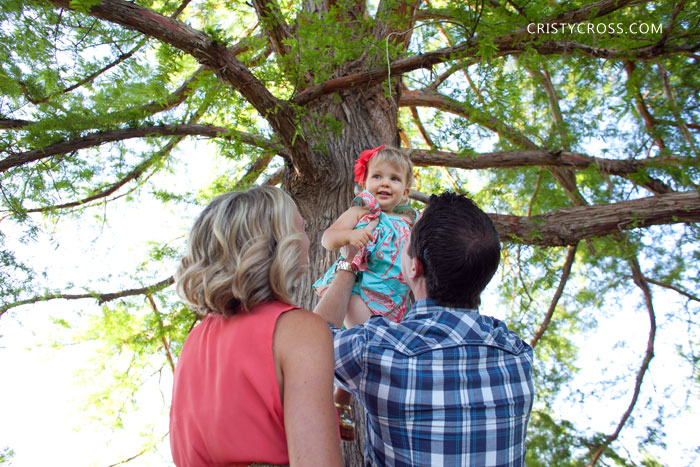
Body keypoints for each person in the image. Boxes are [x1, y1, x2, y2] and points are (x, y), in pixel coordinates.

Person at [315, 191, 535, 466]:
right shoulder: (519, 357)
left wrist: (349, 263)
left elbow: (311, 340)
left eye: (404, 243)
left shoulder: (376, 349)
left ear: (414, 268)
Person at [170, 187, 342, 467]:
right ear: (275, 242)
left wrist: (349, 267)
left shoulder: (195, 340)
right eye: (300, 228)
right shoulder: (298, 330)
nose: (307, 240)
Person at [312, 145, 417, 440]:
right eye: (378, 176)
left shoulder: (409, 221)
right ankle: (333, 400)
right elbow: (327, 238)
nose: (385, 183)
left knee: (375, 350)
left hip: (394, 298)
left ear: (405, 192)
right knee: (368, 341)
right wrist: (351, 235)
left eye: (394, 179)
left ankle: (340, 402)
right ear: (365, 182)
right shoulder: (361, 211)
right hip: (361, 287)